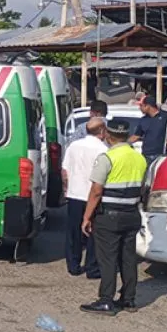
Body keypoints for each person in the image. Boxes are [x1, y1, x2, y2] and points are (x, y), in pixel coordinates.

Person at [81, 118, 148, 315]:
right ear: (127, 135)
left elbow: (96, 191)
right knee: (128, 258)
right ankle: (128, 299)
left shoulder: (107, 158)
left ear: (108, 135)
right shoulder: (140, 158)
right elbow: (142, 188)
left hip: (108, 216)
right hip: (131, 214)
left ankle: (106, 300)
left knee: (108, 258)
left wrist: (86, 217)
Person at [62, 117, 107, 278]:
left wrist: (66, 187)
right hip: (92, 195)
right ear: (102, 131)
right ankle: (92, 267)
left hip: (74, 193)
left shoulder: (73, 146)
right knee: (93, 232)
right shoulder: (103, 149)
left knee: (73, 231)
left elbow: (65, 171)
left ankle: (73, 265)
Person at [130, 96, 167, 164]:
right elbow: (136, 136)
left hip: (162, 155)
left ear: (147, 106)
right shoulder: (143, 120)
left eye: (141, 106)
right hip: (146, 155)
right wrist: (123, 143)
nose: (139, 108)